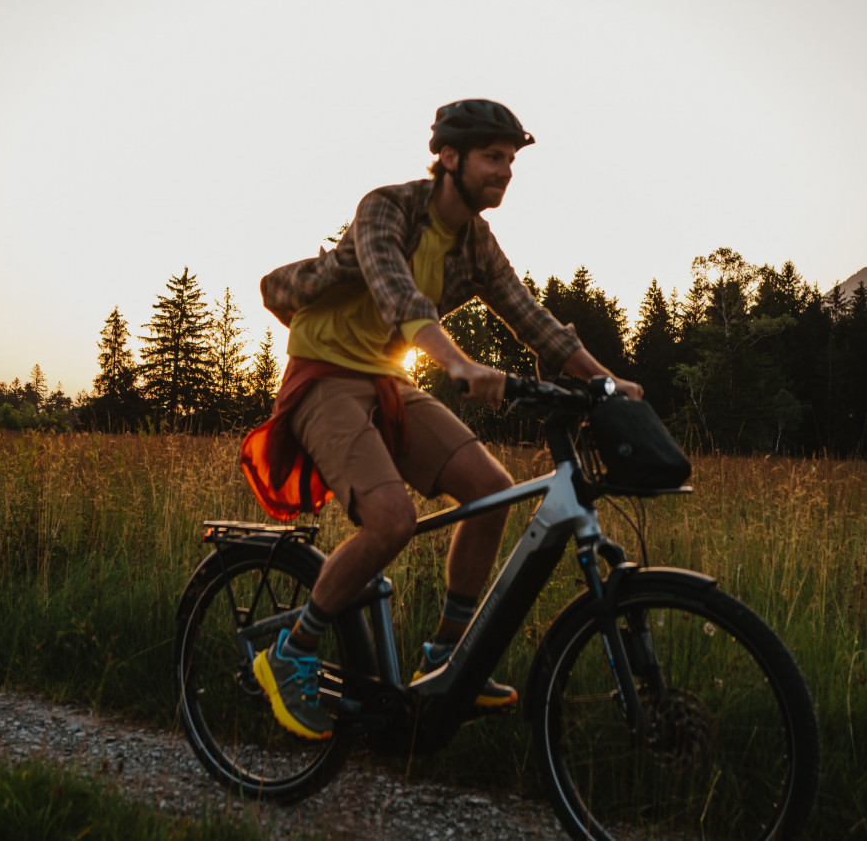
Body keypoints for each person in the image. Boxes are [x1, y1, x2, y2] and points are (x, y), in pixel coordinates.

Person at [240, 98, 642, 740]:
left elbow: (530, 317)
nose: (505, 171)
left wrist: (606, 381)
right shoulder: (387, 208)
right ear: (448, 158)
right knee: (392, 520)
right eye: (493, 157)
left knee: (491, 491)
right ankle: (291, 651)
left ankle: (448, 655)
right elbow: (399, 294)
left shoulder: (477, 241)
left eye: (511, 160)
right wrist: (457, 364)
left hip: (386, 380)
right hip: (324, 377)